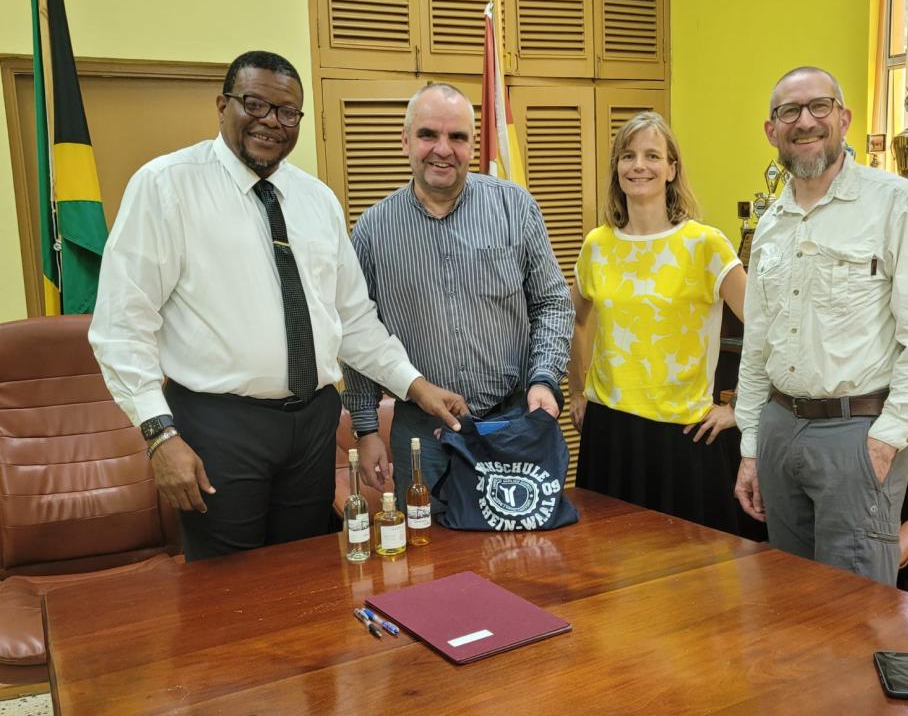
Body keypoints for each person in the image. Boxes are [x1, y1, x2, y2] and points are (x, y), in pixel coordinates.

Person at [89, 51, 467, 561]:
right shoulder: (165, 187)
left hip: (311, 424)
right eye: (255, 104)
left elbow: (353, 321)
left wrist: (417, 387)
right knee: (227, 592)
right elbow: (122, 325)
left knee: (304, 578)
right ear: (222, 105)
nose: (271, 121)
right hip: (219, 427)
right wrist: (159, 434)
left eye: (288, 112)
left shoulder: (316, 200)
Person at [733, 66, 908, 585]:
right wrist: (750, 447)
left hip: (857, 432)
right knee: (789, 600)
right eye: (790, 111)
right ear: (772, 130)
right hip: (780, 431)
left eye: (819, 107)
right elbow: (757, 344)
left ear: (844, 119)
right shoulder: (770, 224)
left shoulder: (897, 203)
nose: (805, 121)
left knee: (855, 613)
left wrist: (886, 441)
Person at [341, 83, 574, 509]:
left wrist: (544, 378)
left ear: (472, 143)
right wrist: (366, 427)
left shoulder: (515, 208)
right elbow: (358, 332)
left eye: (458, 137)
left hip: (514, 420)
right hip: (422, 435)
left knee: (519, 555)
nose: (442, 149)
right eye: (429, 134)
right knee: (434, 560)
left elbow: (553, 303)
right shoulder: (373, 230)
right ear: (405, 140)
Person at [569, 111, 747, 532]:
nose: (639, 166)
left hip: (684, 437)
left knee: (688, 581)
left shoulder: (705, 244)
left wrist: (740, 407)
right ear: (617, 168)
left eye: (652, 155)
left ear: (671, 169)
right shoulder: (598, 245)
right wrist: (578, 390)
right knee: (607, 571)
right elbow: (574, 322)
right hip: (609, 433)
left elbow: (766, 329)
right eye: (628, 156)